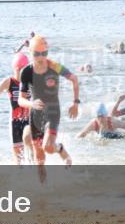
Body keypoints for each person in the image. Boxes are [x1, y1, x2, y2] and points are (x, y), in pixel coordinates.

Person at [17, 35, 79, 175]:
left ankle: (60, 149)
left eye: (44, 53)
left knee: (48, 147)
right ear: (30, 52)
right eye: (37, 54)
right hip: (35, 115)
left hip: (53, 112)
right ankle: (43, 189)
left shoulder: (55, 67)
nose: (41, 57)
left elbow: (74, 79)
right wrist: (31, 103)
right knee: (40, 160)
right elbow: (20, 100)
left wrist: (75, 103)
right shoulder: (26, 72)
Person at [0, 53, 32, 165]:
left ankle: (35, 171)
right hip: (15, 122)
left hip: (28, 120)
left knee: (31, 148)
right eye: (22, 69)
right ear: (16, 69)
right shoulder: (10, 82)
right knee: (18, 157)